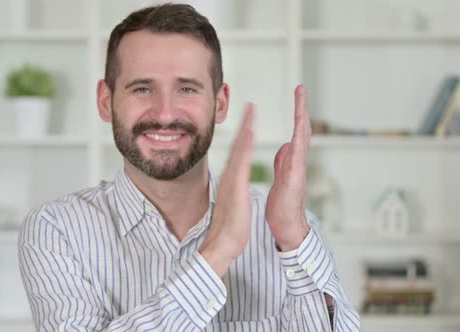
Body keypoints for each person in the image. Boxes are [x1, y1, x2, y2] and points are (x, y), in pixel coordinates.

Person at [18, 3, 361, 331]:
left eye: (186, 88)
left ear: (220, 103)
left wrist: (294, 239)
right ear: (106, 102)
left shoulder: (287, 230)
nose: (165, 114)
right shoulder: (56, 230)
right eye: (142, 88)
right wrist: (219, 251)